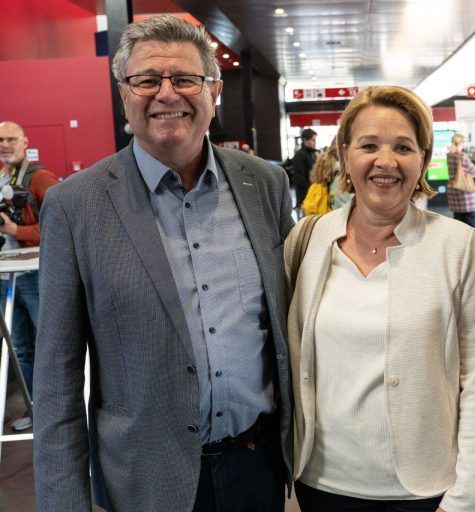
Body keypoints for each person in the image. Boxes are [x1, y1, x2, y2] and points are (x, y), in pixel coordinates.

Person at [33, 15, 294, 512]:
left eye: (186, 79)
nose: (167, 93)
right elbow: (56, 378)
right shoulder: (74, 206)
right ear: (124, 94)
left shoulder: (265, 184)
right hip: (146, 481)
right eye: (148, 79)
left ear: (213, 91)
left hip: (257, 467)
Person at [285, 85, 475, 512]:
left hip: (424, 489)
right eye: (369, 145)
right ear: (346, 154)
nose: (386, 161)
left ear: (422, 158)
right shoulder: (308, 240)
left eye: (403, 146)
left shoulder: (458, 246)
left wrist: (467, 494)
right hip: (323, 484)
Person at [0, 121, 59, 432]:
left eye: (11, 139)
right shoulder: (3, 178)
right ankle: (35, 409)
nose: (5, 144)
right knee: (21, 349)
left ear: (24, 142)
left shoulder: (40, 178)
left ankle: (59, 414)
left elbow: (59, 226)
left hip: (36, 274)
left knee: (50, 345)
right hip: (6, 275)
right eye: (1, 140)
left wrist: (16, 230)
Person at [446, 132, 475, 228]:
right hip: (464, 191)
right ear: (461, 143)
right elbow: (473, 170)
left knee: (459, 223)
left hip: (453, 188)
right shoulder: (462, 156)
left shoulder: (449, 155)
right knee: (472, 224)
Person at [292, 128, 319, 214]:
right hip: (304, 195)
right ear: (305, 140)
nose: (315, 142)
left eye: (315, 140)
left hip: (313, 193)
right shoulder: (299, 155)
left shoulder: (315, 153)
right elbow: (299, 179)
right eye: (312, 140)